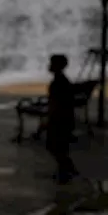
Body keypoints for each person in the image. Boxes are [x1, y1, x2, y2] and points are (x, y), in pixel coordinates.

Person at [45, 53, 79, 183]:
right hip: (65, 119)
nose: (49, 66)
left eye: (52, 63)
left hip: (59, 120)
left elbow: (56, 104)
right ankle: (66, 169)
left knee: (55, 146)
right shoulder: (63, 81)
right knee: (59, 147)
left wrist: (49, 118)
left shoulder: (58, 83)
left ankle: (66, 170)